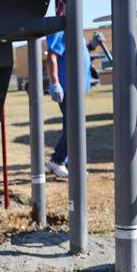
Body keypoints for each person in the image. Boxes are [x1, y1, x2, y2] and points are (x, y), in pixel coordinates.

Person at [44, 31, 99, 179]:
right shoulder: (60, 30)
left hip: (76, 87)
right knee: (74, 126)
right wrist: (55, 82)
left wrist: (91, 46)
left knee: (71, 125)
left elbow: (75, 53)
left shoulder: (73, 29)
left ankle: (69, 163)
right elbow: (52, 55)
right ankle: (57, 160)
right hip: (67, 87)